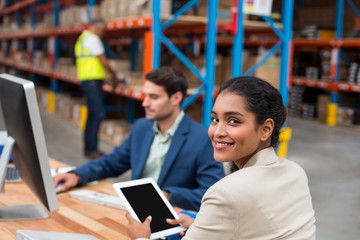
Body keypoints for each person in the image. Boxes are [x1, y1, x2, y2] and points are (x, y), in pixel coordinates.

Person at [126, 76, 316, 239]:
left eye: (234, 121)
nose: (217, 132)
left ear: (266, 129)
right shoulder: (295, 172)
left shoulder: (226, 193)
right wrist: (201, 227)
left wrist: (141, 237)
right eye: (215, 119)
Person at [53, 66, 225, 211]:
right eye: (145, 96)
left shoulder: (201, 139)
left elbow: (211, 194)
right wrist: (77, 175)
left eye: (154, 97)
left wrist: (168, 195)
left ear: (176, 98)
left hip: (170, 219)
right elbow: (112, 162)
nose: (145, 103)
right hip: (134, 214)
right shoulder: (142, 128)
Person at [74, 18, 120, 159]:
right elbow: (103, 60)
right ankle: (92, 149)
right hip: (92, 81)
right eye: (102, 29)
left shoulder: (82, 38)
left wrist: (105, 77)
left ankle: (89, 148)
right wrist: (114, 76)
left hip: (88, 80)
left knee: (92, 114)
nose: (103, 32)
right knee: (98, 114)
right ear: (95, 27)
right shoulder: (92, 39)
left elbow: (92, 63)